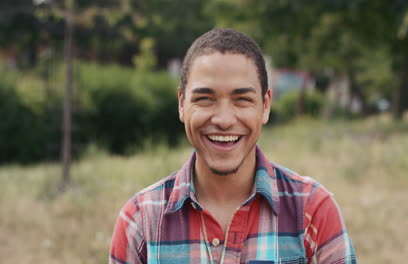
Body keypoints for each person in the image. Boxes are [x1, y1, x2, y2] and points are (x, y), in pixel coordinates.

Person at [109, 28, 356, 264]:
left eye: (242, 99)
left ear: (265, 105)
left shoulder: (313, 211)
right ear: (182, 104)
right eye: (205, 99)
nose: (224, 120)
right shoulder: (141, 221)